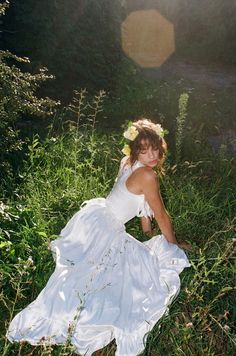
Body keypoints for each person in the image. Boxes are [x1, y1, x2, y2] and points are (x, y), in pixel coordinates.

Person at [7, 118, 191, 356]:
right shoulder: (147, 175)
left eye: (155, 149)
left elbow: (142, 205)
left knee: (92, 271)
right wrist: (173, 245)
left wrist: (148, 233)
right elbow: (162, 215)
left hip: (98, 216)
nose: (152, 155)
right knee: (123, 276)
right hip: (107, 228)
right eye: (144, 151)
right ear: (135, 151)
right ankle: (76, 316)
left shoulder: (128, 162)